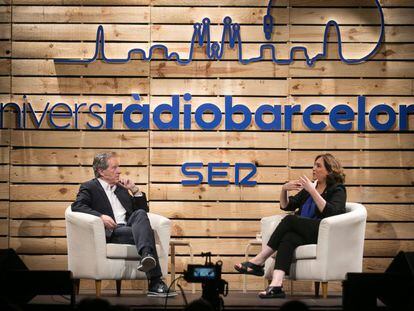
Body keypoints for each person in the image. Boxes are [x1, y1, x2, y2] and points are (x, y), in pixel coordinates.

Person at [234, 153, 346, 298]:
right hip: (306, 233)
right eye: (313, 165)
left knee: (289, 220)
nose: (313, 169)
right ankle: (276, 285)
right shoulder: (310, 188)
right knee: (288, 237)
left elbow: (332, 213)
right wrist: (284, 190)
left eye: (318, 166)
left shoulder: (337, 189)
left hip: (323, 233)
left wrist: (312, 191)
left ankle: (259, 260)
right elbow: (287, 205)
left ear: (330, 170)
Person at [72, 152, 176, 297]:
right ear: (101, 171)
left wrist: (135, 190)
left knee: (140, 214)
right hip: (113, 231)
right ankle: (155, 281)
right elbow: (77, 206)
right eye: (114, 168)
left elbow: (143, 212)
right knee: (148, 234)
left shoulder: (121, 189)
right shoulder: (90, 187)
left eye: (118, 167)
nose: (119, 171)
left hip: (130, 228)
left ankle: (147, 256)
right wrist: (101, 217)